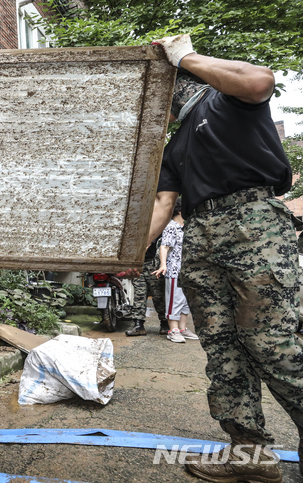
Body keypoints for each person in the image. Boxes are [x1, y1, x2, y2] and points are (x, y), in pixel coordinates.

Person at [149, 34, 303, 481]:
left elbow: (259, 81)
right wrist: (130, 251)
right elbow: (164, 203)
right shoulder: (175, 144)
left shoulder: (226, 99)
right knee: (223, 351)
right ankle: (250, 455)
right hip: (200, 233)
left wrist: (186, 57)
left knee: (270, 344)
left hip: (252, 221)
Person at [151, 198, 197, 343]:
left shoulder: (187, 226)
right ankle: (173, 330)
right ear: (179, 210)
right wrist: (163, 264)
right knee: (174, 300)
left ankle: (182, 328)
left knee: (185, 301)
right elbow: (164, 247)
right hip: (174, 269)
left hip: (187, 270)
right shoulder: (171, 226)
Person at [125, 233, 168, 336]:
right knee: (139, 295)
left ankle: (165, 323)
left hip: (153, 264)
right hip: (139, 265)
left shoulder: (155, 226)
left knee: (158, 296)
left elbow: (148, 243)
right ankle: (138, 325)